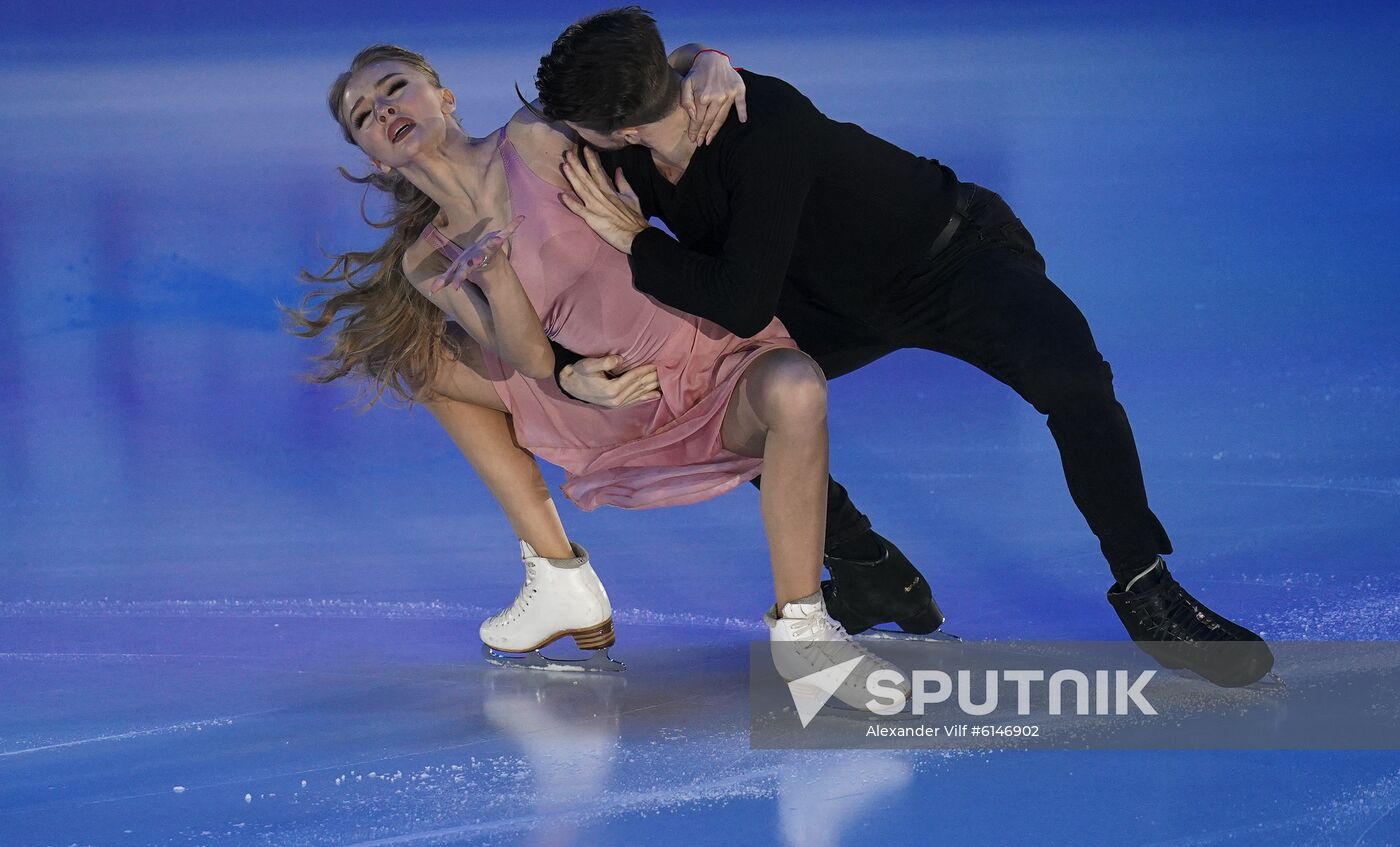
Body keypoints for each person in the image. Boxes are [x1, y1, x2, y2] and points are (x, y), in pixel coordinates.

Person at [536, 7, 1274, 687]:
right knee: (725, 397)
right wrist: (569, 370)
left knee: (1073, 377)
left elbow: (738, 299)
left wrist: (637, 237)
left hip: (947, 258)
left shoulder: (765, 119)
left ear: (618, 127)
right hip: (825, 304)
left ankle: (1147, 584)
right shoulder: (624, 154)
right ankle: (866, 569)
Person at [285, 43, 911, 707]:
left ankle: (804, 632)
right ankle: (557, 576)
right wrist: (505, 289)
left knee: (797, 384)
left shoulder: (533, 134)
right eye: (364, 115)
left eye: (394, 88)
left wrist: (709, 60)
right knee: (420, 362)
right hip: (619, 400)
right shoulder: (428, 258)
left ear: (444, 98)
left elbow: (630, 81)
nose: (384, 110)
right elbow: (526, 355)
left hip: (718, 365)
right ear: (375, 156)